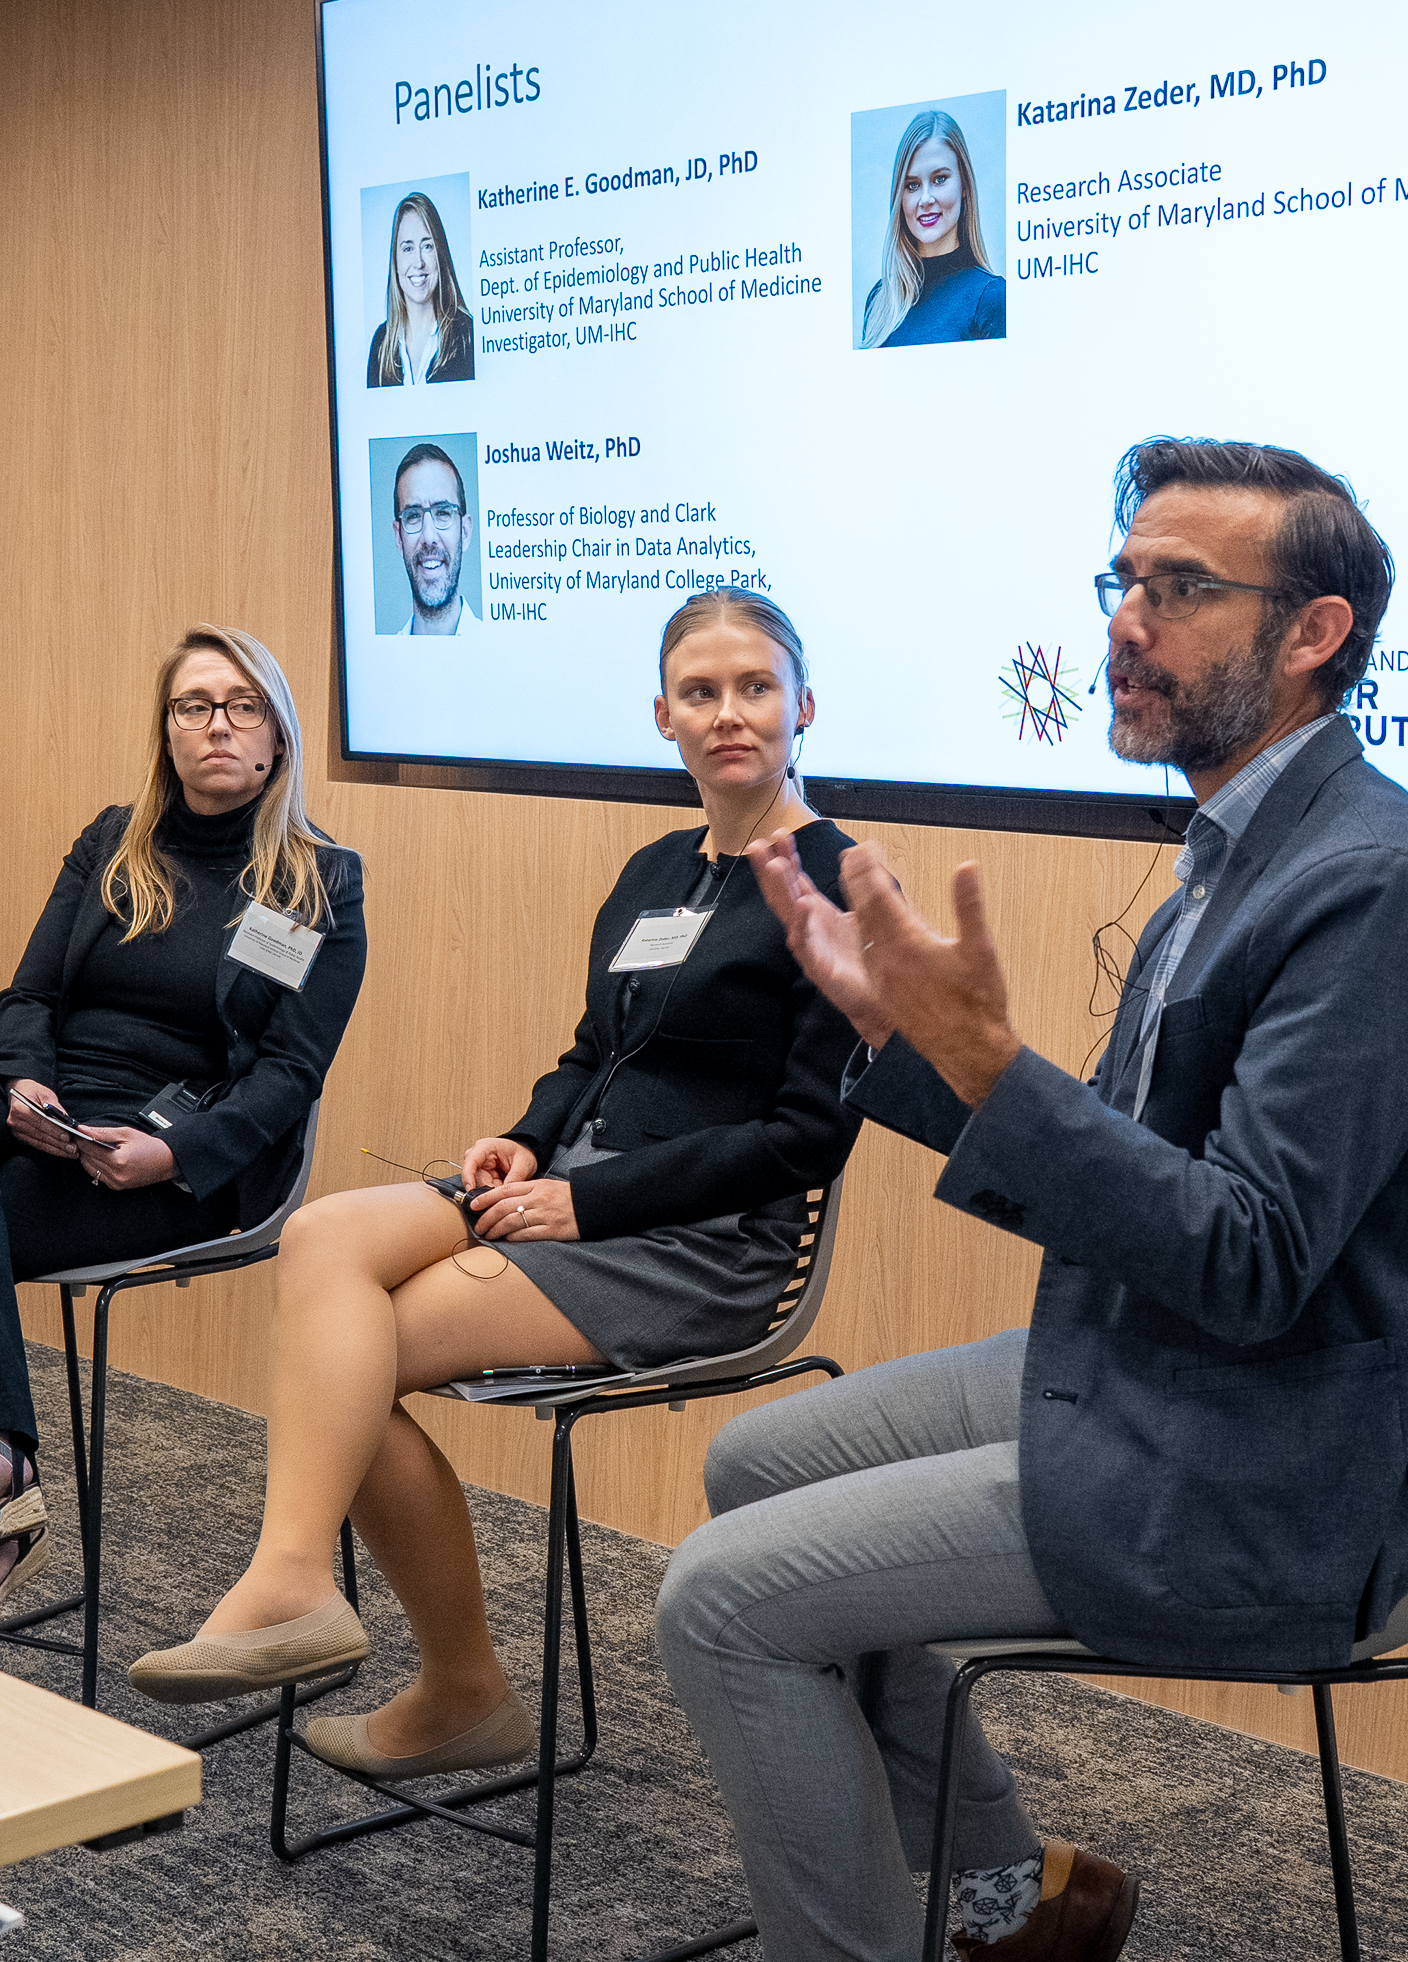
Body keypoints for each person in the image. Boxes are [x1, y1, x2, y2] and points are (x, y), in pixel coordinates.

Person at [656, 439, 1408, 1962]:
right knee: (753, 1463)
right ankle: (1015, 1893)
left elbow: (1247, 1260)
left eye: (1182, 587)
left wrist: (993, 1067)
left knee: (719, 1601)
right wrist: (913, 1044)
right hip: (1164, 1374)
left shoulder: (1374, 886)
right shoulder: (1241, 848)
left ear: (1314, 634)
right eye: (1122, 580)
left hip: (1262, 1466)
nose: (1126, 621)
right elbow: (1132, 1156)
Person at [128, 590, 863, 1782]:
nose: (729, 712)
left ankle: (453, 1681)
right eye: (701, 690)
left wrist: (590, 1203)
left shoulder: (840, 881)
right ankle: (302, 1577)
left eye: (755, 687)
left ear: (804, 707)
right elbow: (593, 1051)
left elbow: (804, 1139)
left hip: (700, 1243)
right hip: (565, 1190)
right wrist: (528, 1139)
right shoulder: (656, 868)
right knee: (322, 1244)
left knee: (347, 1357)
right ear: (662, 715)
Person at [0, 627, 366, 1642]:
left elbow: (290, 1076)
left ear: (276, 730)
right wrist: (27, 1084)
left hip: (178, 1138)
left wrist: (174, 1153)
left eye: (240, 704)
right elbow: (31, 990)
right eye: (192, 705)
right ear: (166, 729)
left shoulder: (319, 882)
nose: (216, 724)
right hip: (52, 1099)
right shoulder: (112, 841)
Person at [859, 110, 1004, 349]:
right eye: (912, 185)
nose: (925, 199)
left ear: (965, 185)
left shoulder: (991, 298)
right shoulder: (880, 300)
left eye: (939, 179)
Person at [366, 191, 476, 387]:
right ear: (396, 261)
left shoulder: (468, 335)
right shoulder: (381, 343)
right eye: (408, 248)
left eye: (427, 246)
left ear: (440, 254)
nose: (418, 262)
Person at [384, 443, 483, 637]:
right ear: (398, 538)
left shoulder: (502, 649)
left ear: (465, 531)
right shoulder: (379, 660)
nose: (429, 537)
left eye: (443, 513)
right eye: (413, 516)